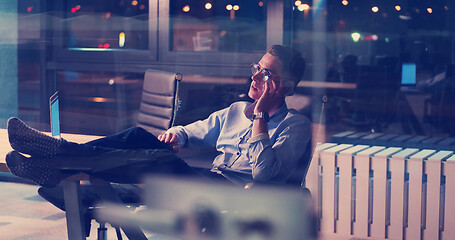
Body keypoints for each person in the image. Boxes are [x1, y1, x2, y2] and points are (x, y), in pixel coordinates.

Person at [5, 45, 311, 187]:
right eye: (256, 68)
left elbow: (264, 175)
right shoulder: (233, 112)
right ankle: (56, 161)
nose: (255, 76)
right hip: (206, 180)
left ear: (285, 87)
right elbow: (191, 130)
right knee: (141, 137)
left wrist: (260, 117)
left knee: (163, 162)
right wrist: (175, 134)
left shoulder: (296, 126)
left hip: (236, 196)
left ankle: (57, 159)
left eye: (266, 73)